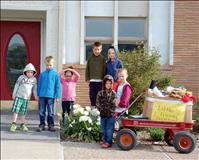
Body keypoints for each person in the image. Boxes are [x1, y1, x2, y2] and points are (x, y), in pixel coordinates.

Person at [10, 63, 38, 132]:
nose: (30, 73)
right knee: (16, 111)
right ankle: (13, 124)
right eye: (28, 72)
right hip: (19, 97)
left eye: (31, 72)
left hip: (26, 98)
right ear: (25, 71)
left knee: (23, 112)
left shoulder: (34, 80)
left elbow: (34, 88)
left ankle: (22, 124)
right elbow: (16, 86)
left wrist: (36, 96)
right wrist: (14, 94)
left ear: (33, 73)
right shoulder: (21, 78)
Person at [37, 56, 61, 132]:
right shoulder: (42, 74)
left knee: (50, 112)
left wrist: (57, 96)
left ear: (53, 64)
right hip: (42, 95)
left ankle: (51, 125)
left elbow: (58, 86)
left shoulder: (55, 74)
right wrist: (38, 94)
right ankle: (42, 125)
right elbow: (39, 85)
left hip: (51, 96)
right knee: (41, 111)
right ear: (45, 65)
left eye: (50, 65)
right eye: (47, 65)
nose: (49, 66)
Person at [96, 75, 117, 148]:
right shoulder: (100, 93)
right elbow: (97, 103)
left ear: (112, 84)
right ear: (104, 84)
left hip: (111, 115)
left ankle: (108, 142)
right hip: (103, 114)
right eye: (107, 83)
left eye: (110, 83)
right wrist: (101, 110)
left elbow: (114, 104)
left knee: (109, 129)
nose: (108, 85)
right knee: (103, 129)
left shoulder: (114, 94)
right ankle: (104, 140)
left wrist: (111, 111)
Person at [85, 41, 106, 107]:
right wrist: (87, 78)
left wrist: (104, 79)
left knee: (99, 96)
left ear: (101, 50)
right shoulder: (90, 59)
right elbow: (87, 69)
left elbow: (104, 69)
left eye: (98, 49)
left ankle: (99, 109)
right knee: (92, 96)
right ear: (93, 49)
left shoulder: (102, 59)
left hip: (100, 81)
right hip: (92, 81)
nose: (97, 51)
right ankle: (93, 109)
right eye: (95, 49)